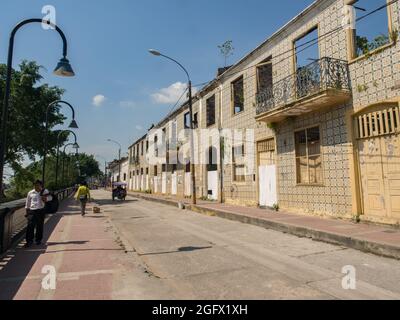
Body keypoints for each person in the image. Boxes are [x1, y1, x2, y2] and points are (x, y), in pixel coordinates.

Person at [24, 180, 52, 247]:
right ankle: (29, 241)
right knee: (30, 226)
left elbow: (50, 198)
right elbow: (27, 203)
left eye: (38, 185)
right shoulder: (30, 192)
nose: (37, 186)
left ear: (41, 185)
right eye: (35, 185)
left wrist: (45, 198)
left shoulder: (45, 191)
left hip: (41, 210)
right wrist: (27, 212)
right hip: (32, 211)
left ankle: (38, 240)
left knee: (40, 226)